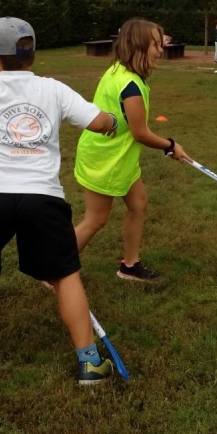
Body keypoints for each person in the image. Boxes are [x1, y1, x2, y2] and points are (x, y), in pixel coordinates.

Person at [0, 17, 120, 385]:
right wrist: (112, 121)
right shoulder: (53, 89)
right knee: (65, 274)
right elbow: (98, 123)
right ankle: (90, 362)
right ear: (31, 56)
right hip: (42, 198)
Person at [74, 18, 191, 282]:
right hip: (105, 158)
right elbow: (140, 133)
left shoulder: (119, 70)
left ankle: (129, 265)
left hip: (120, 157)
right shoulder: (130, 87)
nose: (160, 50)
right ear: (139, 46)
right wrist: (171, 146)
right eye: (156, 45)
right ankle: (53, 268)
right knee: (95, 219)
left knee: (138, 204)